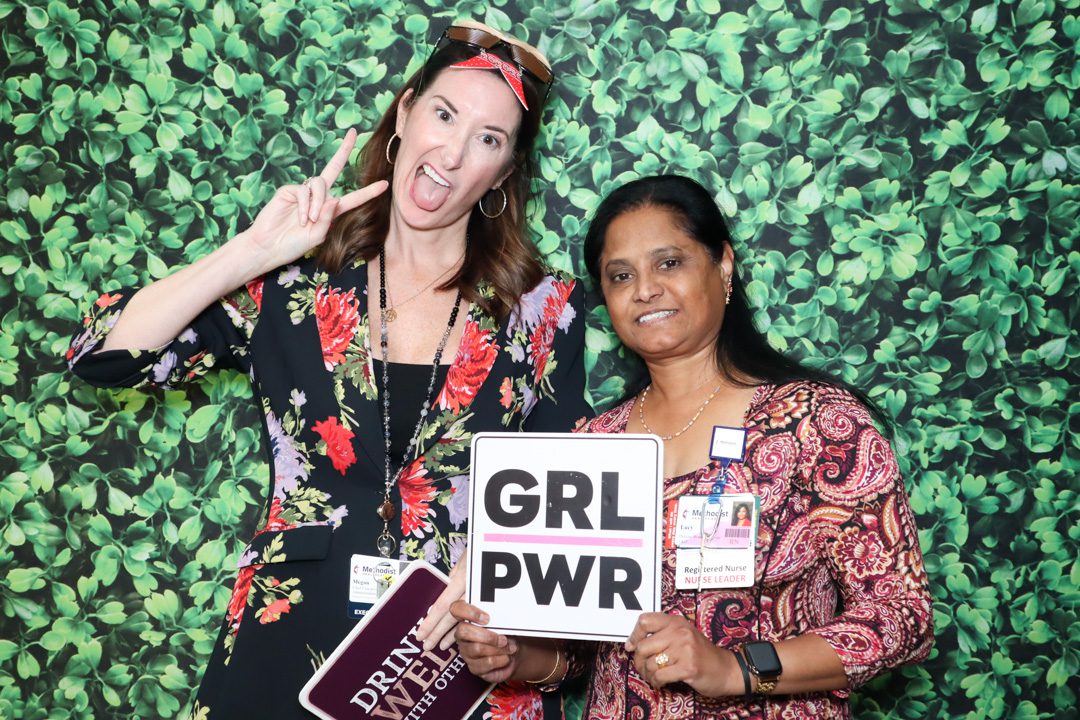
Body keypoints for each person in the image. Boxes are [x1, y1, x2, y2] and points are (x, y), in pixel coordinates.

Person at [67, 20, 590, 719]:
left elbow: (568, 485)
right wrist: (252, 253)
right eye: (443, 115)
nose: (452, 152)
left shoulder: (543, 309)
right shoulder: (291, 283)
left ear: (505, 171)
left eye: (488, 139)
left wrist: (500, 557)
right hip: (288, 644)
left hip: (452, 662)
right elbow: (104, 357)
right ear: (405, 113)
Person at [450, 175, 933, 718]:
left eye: (669, 263)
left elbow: (902, 616)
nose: (645, 289)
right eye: (621, 275)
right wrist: (517, 657)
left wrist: (735, 669)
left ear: (723, 265)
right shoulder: (592, 445)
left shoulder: (816, 423)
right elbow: (584, 653)